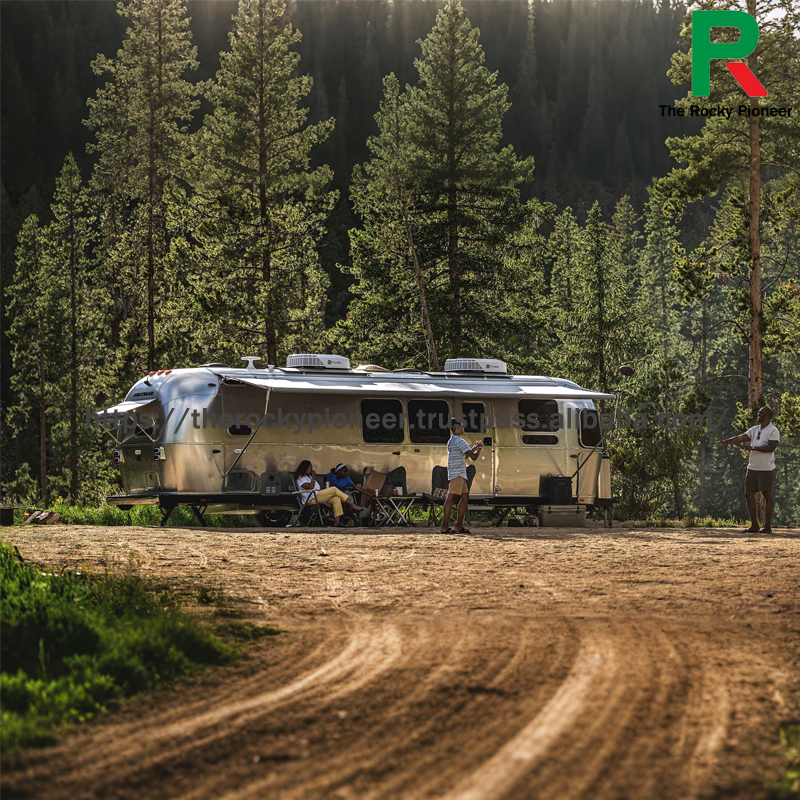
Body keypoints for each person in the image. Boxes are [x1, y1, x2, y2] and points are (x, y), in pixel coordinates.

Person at [717, 407, 780, 533]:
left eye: (761, 413)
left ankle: (767, 526)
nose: (758, 415)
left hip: (766, 468)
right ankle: (754, 526)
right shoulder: (754, 429)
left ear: (767, 416)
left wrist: (753, 448)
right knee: (748, 494)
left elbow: (771, 448)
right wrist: (725, 442)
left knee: (767, 494)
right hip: (752, 467)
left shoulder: (773, 430)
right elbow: (740, 438)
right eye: (758, 413)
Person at [440, 418, 483, 535]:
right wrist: (479, 449)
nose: (463, 428)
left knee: (465, 497)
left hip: (456, 473)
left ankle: (459, 526)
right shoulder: (460, 441)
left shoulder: (451, 441)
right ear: (457, 428)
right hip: (458, 473)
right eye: (461, 426)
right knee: (450, 498)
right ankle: (444, 527)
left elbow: (463, 456)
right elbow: (474, 457)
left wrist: (473, 449)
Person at [294, 460, 361, 527]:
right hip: (311, 500)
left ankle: (337, 521)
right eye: (310, 468)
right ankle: (350, 503)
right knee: (333, 489)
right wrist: (313, 478)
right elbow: (310, 487)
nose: (312, 470)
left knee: (336, 499)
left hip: (317, 496)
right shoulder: (300, 478)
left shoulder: (308, 477)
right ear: (305, 469)